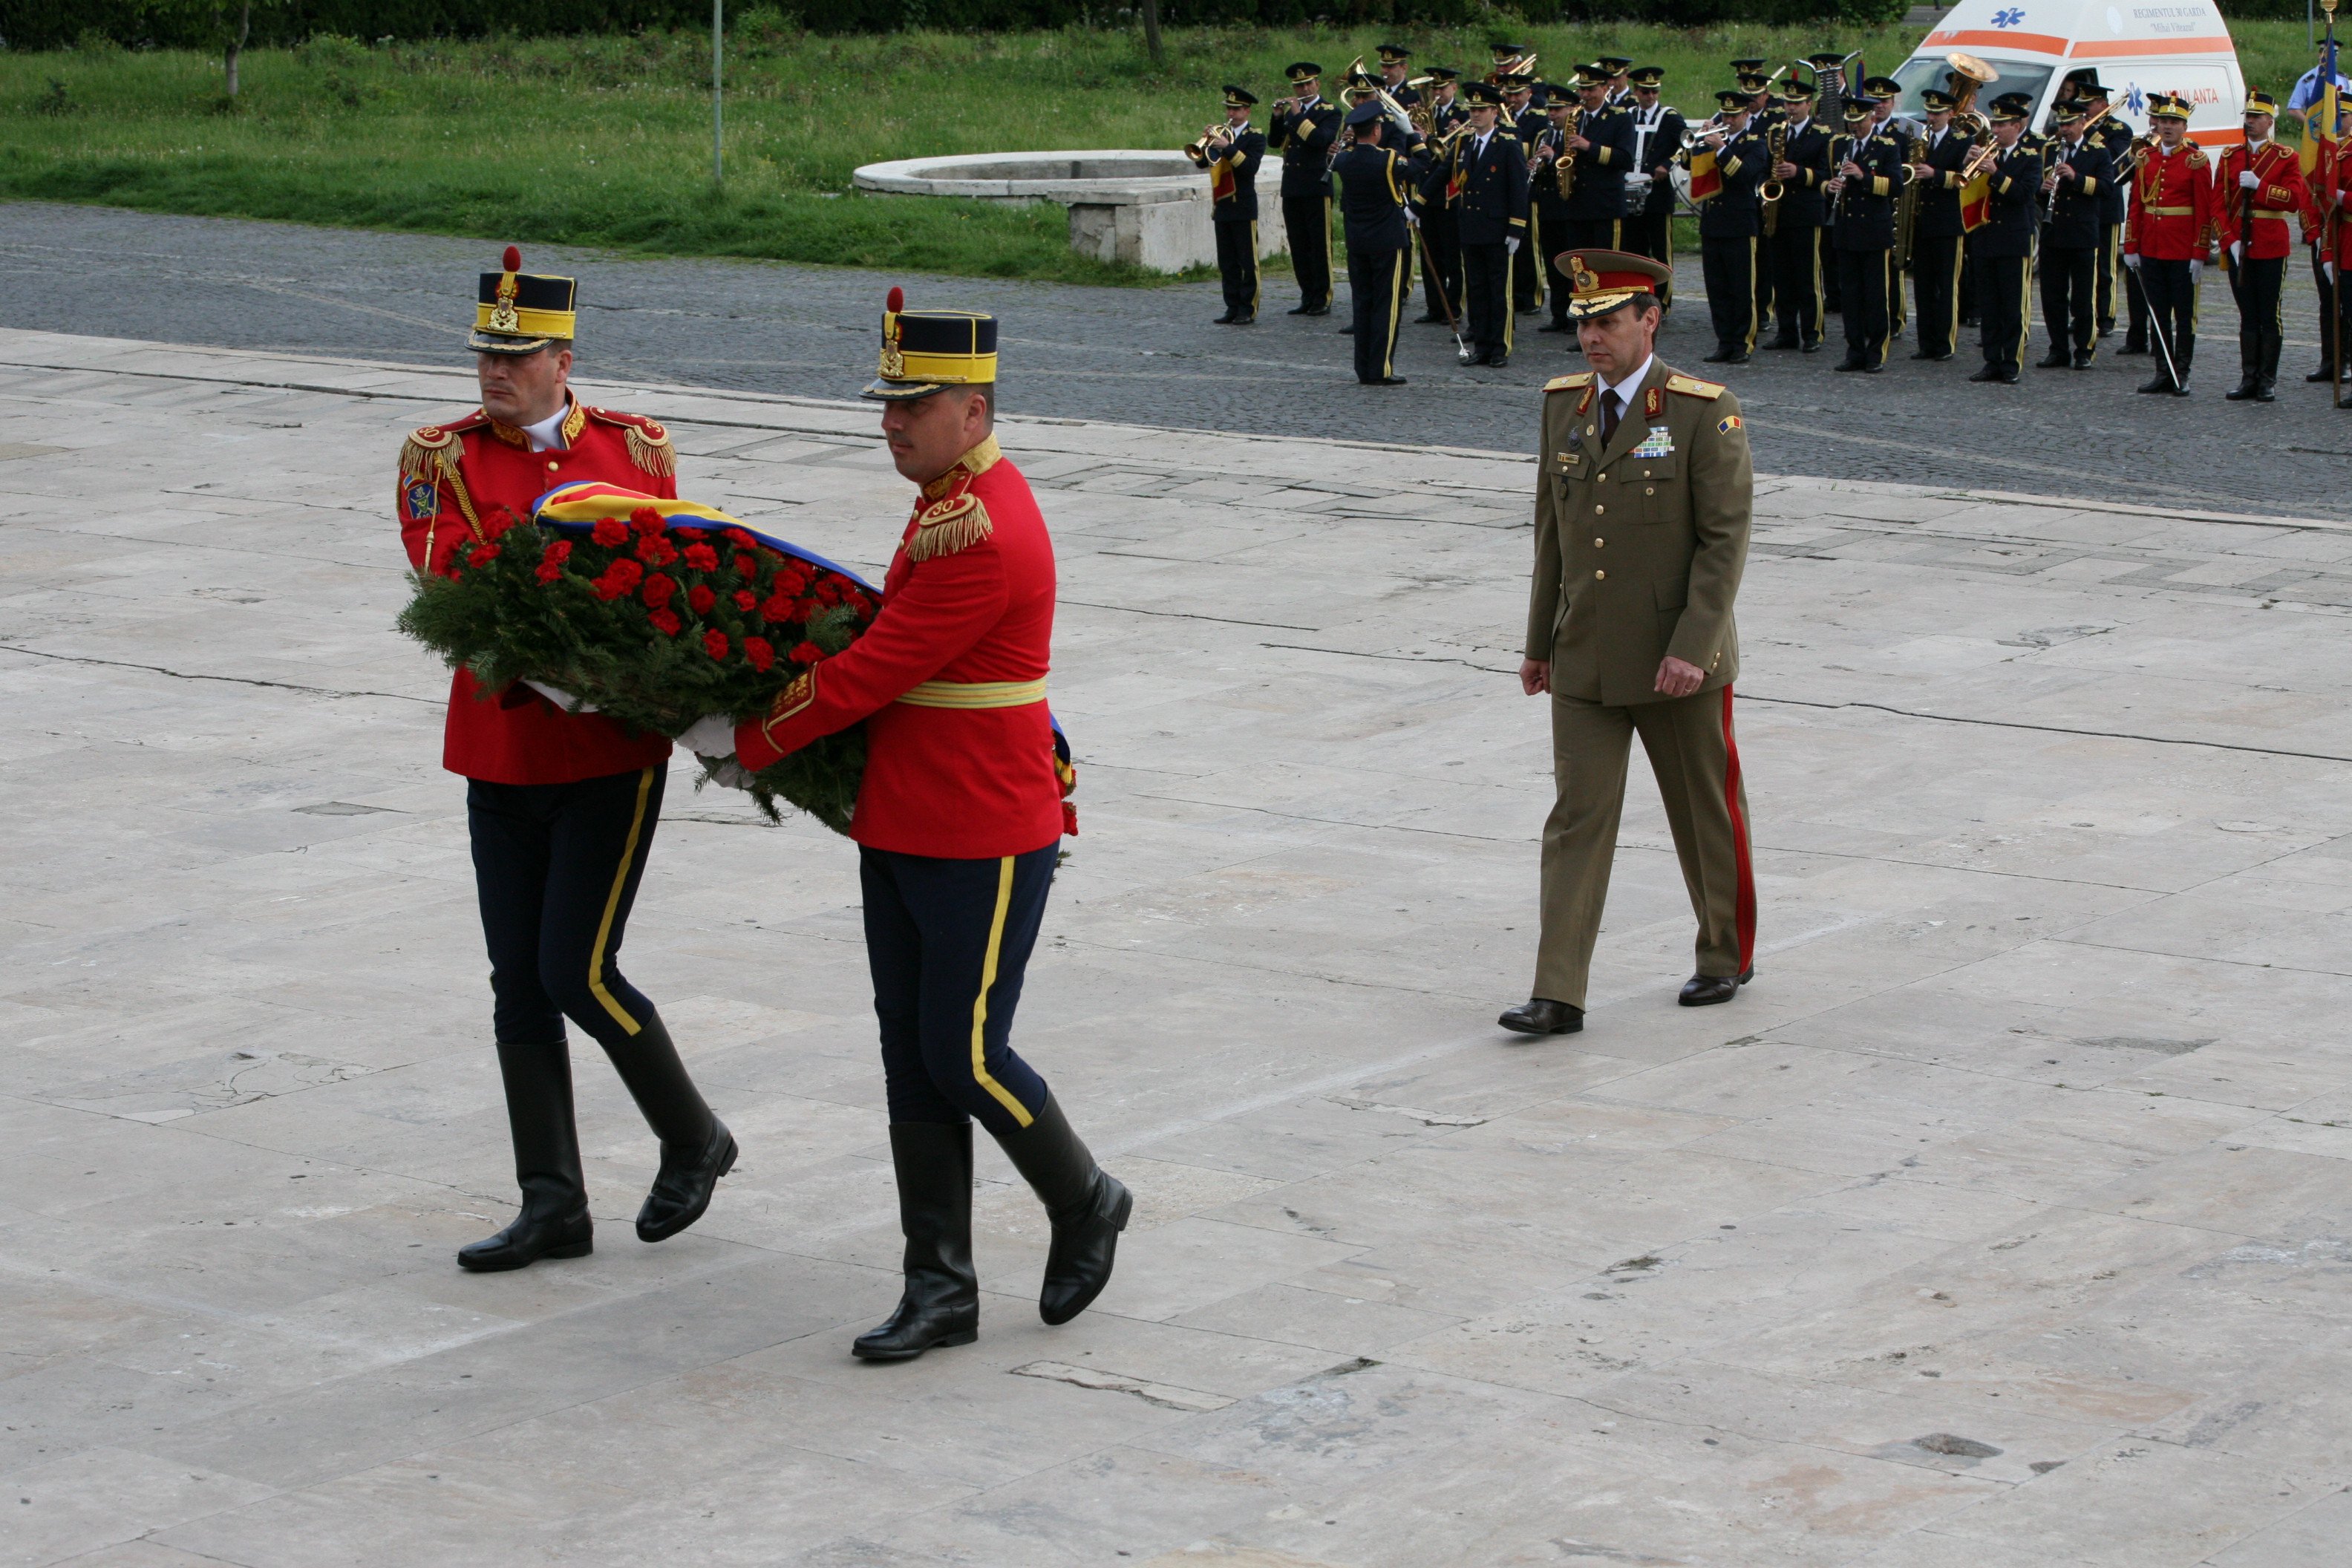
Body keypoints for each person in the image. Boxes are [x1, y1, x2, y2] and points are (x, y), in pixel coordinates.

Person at [696, 297, 1125, 1361]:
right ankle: (939, 1286)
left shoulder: (980, 530)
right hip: (908, 817)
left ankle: (1086, 1198)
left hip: (983, 825)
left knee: (964, 1053)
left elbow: (878, 668)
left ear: (972, 410)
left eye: (913, 405)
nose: (890, 421)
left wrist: (743, 738)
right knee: (910, 1057)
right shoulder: (948, 501)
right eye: (887, 403)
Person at [396, 249, 734, 1273]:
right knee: (520, 983)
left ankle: (692, 1137)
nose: (495, 373)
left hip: (607, 754)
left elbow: (672, 579)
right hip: (500, 746)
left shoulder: (638, 450)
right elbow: (452, 580)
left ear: (563, 358)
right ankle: (553, 1202)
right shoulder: (439, 458)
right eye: (485, 356)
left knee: (577, 969)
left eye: (518, 356)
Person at [1503, 250, 1756, 1038]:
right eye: (1582, 323)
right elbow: (1553, 532)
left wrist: (1694, 646)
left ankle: (1724, 952)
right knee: (1576, 818)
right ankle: (1558, 991)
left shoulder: (1701, 410)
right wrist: (1539, 639)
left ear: (1650, 319)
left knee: (1703, 812)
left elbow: (1724, 543)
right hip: (1585, 655)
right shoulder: (1561, 406)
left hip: (1676, 659)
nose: (1590, 338)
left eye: (1607, 321)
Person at [2215, 91, 2310, 402]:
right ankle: (2248, 378)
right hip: (2239, 245)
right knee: (2247, 314)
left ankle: (2267, 379)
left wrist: (2261, 186)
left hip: (2271, 244)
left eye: (2257, 116)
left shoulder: (2287, 157)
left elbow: (2295, 201)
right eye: (2248, 116)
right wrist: (2229, 241)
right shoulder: (2230, 157)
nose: (2251, 121)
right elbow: (2217, 204)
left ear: (2271, 121)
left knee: (2270, 313)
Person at [2124, 93, 2217, 396]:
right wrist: (2132, 245)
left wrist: (2199, 253)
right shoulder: (2146, 158)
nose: (2167, 127)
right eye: (2163, 121)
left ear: (2184, 127)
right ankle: (2163, 372)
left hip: (2181, 249)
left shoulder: (2195, 161)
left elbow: (2204, 210)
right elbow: (2136, 203)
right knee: (2158, 312)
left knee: (2184, 314)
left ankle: (2182, 372)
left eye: (2174, 122)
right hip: (2152, 247)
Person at [1332, 101, 1427, 385]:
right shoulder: (1387, 159)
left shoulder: (1344, 159)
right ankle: (1381, 368)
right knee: (1386, 305)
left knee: (1362, 304)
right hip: (1387, 239)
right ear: (1376, 131)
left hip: (1357, 240)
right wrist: (1411, 134)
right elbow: (1422, 165)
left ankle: (1363, 368)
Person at [1824, 93, 1909, 371]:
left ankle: (1876, 353)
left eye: (1859, 121)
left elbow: (1897, 186)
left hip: (1874, 231)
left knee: (1875, 296)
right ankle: (1854, 350)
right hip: (1847, 231)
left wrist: (1864, 177)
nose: (1854, 127)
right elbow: (1825, 180)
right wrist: (1829, 188)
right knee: (1850, 296)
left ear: (1871, 118)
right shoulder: (1839, 145)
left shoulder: (1886, 147)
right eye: (1851, 121)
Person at [1453, 81, 1532, 367]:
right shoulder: (1467, 143)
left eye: (1482, 110)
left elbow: (1517, 189)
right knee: (1477, 289)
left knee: (1499, 291)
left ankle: (1500, 347)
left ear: (1494, 113)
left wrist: (1516, 229)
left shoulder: (1507, 145)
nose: (1475, 115)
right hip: (1473, 227)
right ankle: (1483, 346)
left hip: (1497, 228)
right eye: (1472, 110)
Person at [1968, 94, 2044, 385]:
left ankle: (2011, 363)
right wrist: (1969, 164)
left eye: (2001, 126)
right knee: (1989, 305)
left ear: (2016, 126)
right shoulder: (1987, 154)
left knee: (2012, 306)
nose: (1996, 131)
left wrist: (1996, 174)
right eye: (1995, 125)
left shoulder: (2030, 157)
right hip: (1986, 237)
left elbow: (2024, 195)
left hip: (2013, 239)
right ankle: (1991, 361)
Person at [1693, 88, 1768, 364]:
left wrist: (1721, 148)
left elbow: (1746, 176)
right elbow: (1692, 169)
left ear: (1746, 115)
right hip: (1713, 223)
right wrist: (1701, 142)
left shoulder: (1755, 143)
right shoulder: (1712, 141)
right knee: (1717, 289)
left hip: (1740, 223)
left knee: (1741, 288)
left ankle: (1743, 343)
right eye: (1725, 114)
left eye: (1734, 115)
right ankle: (1724, 341)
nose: (1729, 119)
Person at [2036, 102, 2112, 369]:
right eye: (2061, 124)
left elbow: (2106, 188)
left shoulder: (2098, 152)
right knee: (2053, 296)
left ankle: (2084, 350)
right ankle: (2058, 349)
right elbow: (2034, 190)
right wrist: (2043, 190)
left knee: (2082, 297)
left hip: (2082, 233)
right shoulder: (2049, 149)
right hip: (2053, 232)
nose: (2064, 130)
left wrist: (2076, 177)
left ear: (2082, 123)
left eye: (2070, 124)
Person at [1186, 87, 1265, 326]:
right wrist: (1204, 145)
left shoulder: (1255, 136)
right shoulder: (1221, 134)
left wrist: (1227, 146)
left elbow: (1250, 167)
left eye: (1236, 109)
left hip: (1243, 204)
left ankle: (1247, 309)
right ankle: (1231, 306)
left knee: (1247, 261)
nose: (1231, 113)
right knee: (1227, 261)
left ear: (1247, 111)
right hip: (1222, 205)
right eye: (1229, 108)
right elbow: (1203, 163)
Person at [1763, 76, 1832, 353]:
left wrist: (1799, 173)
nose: (1790, 109)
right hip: (1780, 213)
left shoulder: (1823, 135)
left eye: (1796, 104)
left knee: (1808, 277)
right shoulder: (1776, 132)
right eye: (1787, 103)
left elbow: (1828, 175)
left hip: (1807, 213)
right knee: (1782, 277)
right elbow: (1765, 168)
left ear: (1809, 105)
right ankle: (1786, 331)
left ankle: (1814, 332)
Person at [1270, 64, 1342, 317]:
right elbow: (1275, 142)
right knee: (1298, 244)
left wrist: (1298, 114)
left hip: (1316, 184)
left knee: (1319, 244)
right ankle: (1307, 295)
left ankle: (1322, 297)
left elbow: (1320, 141)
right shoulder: (1292, 112)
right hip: (1293, 185)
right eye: (1298, 85)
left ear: (1317, 85)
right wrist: (1278, 116)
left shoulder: (1330, 111)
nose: (1303, 88)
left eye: (1308, 84)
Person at [1906, 88, 1973, 361]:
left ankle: (1945, 343)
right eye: (1929, 112)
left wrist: (1935, 174)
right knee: (1922, 286)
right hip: (1921, 222)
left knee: (1946, 286)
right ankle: (1925, 343)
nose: (1931, 117)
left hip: (1947, 224)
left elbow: (1964, 179)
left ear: (1951, 114)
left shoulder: (1962, 141)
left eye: (1937, 113)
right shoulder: (1918, 139)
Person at [1622, 67, 1686, 313]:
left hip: (1657, 193)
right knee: (1633, 250)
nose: (1651, 96)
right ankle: (1637, 299)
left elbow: (1686, 144)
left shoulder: (1670, 117)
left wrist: (1668, 165)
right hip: (1630, 189)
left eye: (1654, 91)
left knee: (1660, 251)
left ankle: (1663, 301)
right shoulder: (1627, 115)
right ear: (1636, 92)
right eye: (1645, 91)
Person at [1414, 67, 1467, 326]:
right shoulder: (1425, 115)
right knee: (1429, 255)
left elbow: (1458, 155)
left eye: (1442, 89)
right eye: (1434, 89)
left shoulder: (1464, 115)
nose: (1437, 93)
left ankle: (1454, 307)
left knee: (1451, 255)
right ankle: (1434, 306)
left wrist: (1431, 137)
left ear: (1453, 89)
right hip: (1426, 192)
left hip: (1450, 193)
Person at [1502, 69, 1552, 315]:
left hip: (1529, 189)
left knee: (1528, 245)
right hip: (1506, 188)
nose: (1513, 99)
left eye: (1518, 94)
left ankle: (1532, 295)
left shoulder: (1539, 119)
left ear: (1529, 94)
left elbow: (1536, 148)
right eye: (1509, 94)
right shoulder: (1502, 117)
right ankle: (1514, 293)